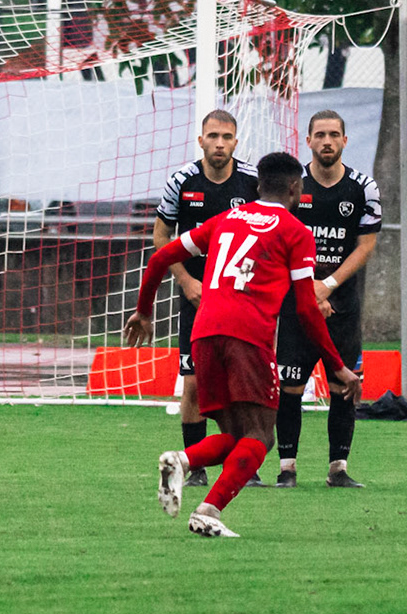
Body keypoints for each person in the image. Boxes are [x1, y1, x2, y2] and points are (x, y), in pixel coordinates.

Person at [125, 152, 361, 537]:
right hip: (248, 337)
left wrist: (144, 311)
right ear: (296, 188)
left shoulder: (225, 219)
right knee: (261, 436)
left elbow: (161, 256)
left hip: (204, 332)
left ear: (257, 185)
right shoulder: (296, 231)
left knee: (237, 436)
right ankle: (208, 511)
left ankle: (181, 461)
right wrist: (338, 365)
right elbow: (306, 308)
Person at [151, 110, 260, 488]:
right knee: (194, 383)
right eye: (212, 136)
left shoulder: (252, 182)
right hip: (197, 298)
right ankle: (194, 468)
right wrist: (185, 281)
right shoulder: (181, 181)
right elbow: (161, 236)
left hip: (241, 298)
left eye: (226, 137)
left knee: (243, 384)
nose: (219, 143)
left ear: (235, 142)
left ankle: (246, 464)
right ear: (201, 141)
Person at [274, 111, 380, 488]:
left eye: (334, 134)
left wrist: (328, 285)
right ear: (308, 141)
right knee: (290, 388)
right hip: (296, 307)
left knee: (343, 388)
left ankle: (338, 469)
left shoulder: (363, 188)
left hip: (343, 309)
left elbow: (365, 246)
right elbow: (279, 244)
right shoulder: (292, 188)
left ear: (345, 141)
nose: (327, 141)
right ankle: (287, 468)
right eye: (320, 135)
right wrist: (308, 292)